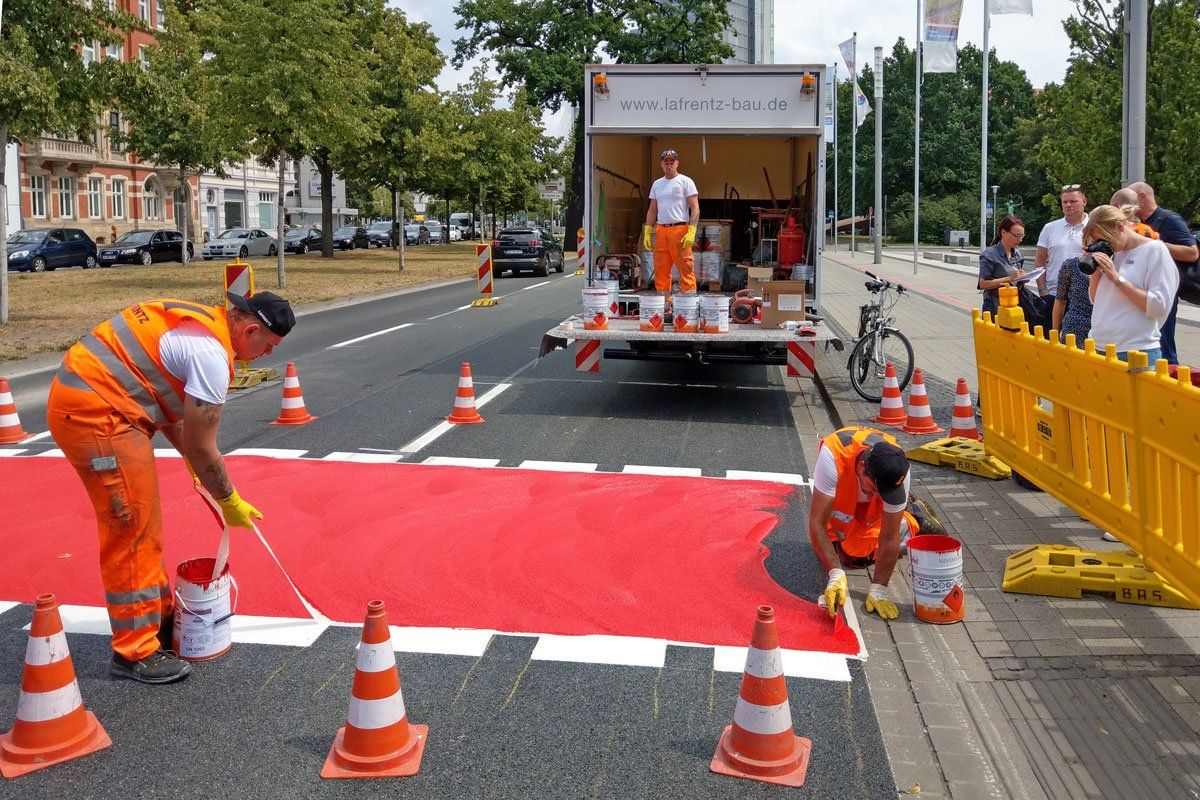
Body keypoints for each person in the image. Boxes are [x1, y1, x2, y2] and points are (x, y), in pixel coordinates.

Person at [47, 291, 295, 684]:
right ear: (250, 329)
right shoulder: (211, 357)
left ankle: (157, 620)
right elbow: (202, 445)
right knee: (132, 529)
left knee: (143, 523)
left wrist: (196, 469)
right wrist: (228, 498)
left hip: (96, 400)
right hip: (97, 414)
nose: (267, 354)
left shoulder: (197, 322)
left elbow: (174, 417)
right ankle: (135, 651)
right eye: (268, 345)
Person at [809, 426, 942, 622]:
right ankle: (905, 513)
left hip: (868, 504)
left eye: (885, 493)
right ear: (862, 468)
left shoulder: (898, 470)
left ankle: (912, 520)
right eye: (876, 489)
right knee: (834, 545)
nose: (880, 496)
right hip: (844, 493)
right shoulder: (832, 456)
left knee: (854, 557)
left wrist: (879, 588)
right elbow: (816, 524)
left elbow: (889, 536)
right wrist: (835, 574)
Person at [1083, 204, 1179, 363]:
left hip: (1134, 350)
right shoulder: (1114, 252)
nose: (1104, 245)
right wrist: (1095, 269)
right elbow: (1095, 299)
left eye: (1104, 240)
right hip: (1099, 346)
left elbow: (1159, 305)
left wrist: (1117, 278)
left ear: (1119, 226)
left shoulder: (1155, 250)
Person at [1117, 182, 1198, 364]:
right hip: (1141, 292)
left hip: (1162, 292)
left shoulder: (1169, 219)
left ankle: (1168, 381)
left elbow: (1192, 253)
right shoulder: (1142, 222)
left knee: (1162, 343)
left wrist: (1154, 242)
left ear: (1143, 197)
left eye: (1132, 199)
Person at [642, 148, 699, 292]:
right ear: (661, 164)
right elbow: (652, 209)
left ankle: (688, 309)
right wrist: (648, 231)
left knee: (685, 269)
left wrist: (692, 230)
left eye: (671, 162)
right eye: (666, 162)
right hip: (661, 230)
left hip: (680, 230)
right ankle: (665, 307)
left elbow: (695, 208)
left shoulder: (685, 181)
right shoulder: (657, 184)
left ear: (677, 163)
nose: (669, 165)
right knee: (661, 272)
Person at [1034, 184, 1089, 334]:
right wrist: (1043, 290)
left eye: (1073, 201)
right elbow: (1039, 261)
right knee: (1052, 339)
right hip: (1053, 295)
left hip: (1084, 299)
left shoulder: (1093, 227)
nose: (1068, 205)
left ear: (1084, 202)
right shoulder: (1050, 228)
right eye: (1065, 202)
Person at [978, 215, 1027, 317]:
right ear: (1003, 233)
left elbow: (1016, 279)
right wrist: (1010, 278)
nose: (1019, 240)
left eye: (1022, 236)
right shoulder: (989, 255)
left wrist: (1023, 278)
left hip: (1014, 305)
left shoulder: (1018, 255)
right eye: (1016, 235)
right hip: (995, 306)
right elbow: (983, 284)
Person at [1052, 236, 1096, 347]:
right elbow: (1060, 301)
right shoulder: (1071, 265)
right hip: (1075, 329)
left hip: (1103, 331)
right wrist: (1055, 335)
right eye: (1094, 241)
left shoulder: (1114, 267)